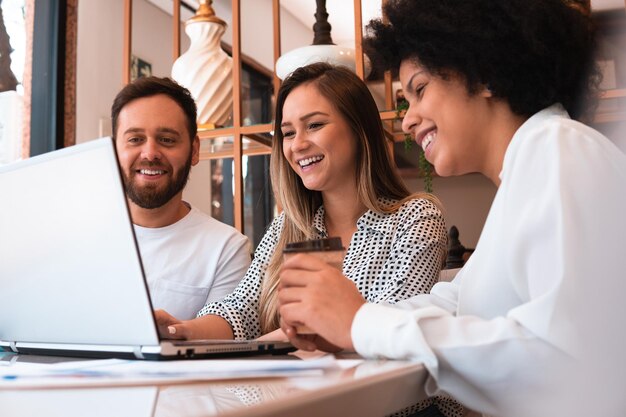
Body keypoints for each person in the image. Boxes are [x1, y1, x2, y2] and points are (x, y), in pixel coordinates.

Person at [278, 1, 626, 416]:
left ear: (483, 75)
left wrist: (358, 323)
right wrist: (343, 326)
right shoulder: (523, 178)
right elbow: (452, 303)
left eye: (420, 89)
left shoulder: (559, 148)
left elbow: (565, 356)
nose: (408, 121)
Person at [155, 63, 448, 345]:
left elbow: (391, 331)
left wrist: (273, 345)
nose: (297, 145)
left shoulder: (416, 218)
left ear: (360, 130)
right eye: (288, 133)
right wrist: (181, 331)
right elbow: (241, 311)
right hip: (299, 393)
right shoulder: (288, 226)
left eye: (315, 125)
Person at [111, 76, 251, 320]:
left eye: (167, 140)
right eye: (135, 139)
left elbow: (225, 343)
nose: (150, 153)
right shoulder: (79, 237)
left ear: (194, 150)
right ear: (113, 149)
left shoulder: (226, 249)